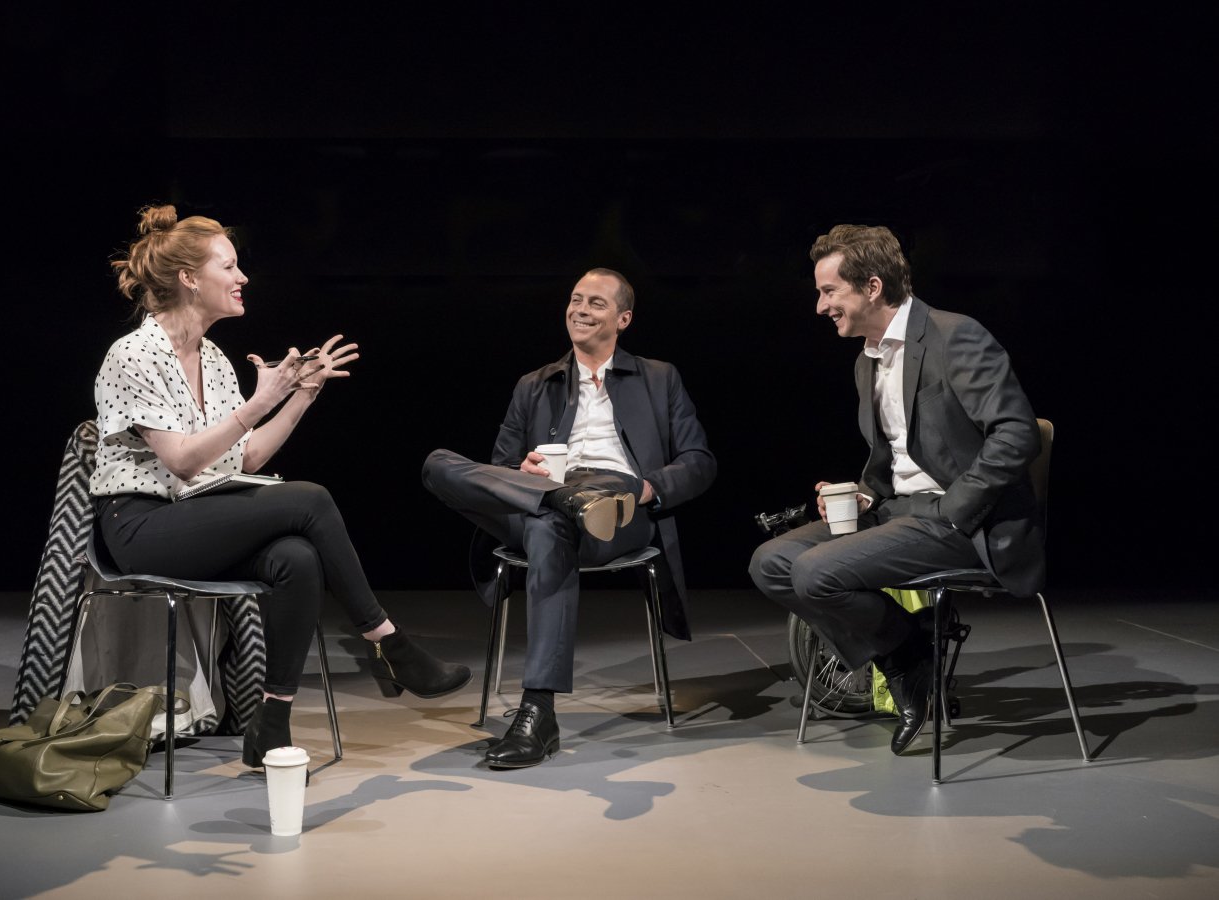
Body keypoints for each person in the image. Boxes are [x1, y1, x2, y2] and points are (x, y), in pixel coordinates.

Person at [91, 204, 470, 768]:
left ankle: (270, 723)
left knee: (296, 559)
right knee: (310, 498)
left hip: (196, 514)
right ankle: (390, 644)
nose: (243, 278)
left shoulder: (214, 358)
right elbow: (184, 461)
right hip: (140, 525)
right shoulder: (133, 354)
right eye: (230, 266)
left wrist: (299, 395)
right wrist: (259, 402)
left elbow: (244, 456)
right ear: (189, 279)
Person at [749, 224, 1044, 755]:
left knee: (815, 571)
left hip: (963, 520)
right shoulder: (869, 359)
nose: (820, 307)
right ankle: (909, 647)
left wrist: (956, 510)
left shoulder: (957, 336)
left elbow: (1017, 433)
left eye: (828, 291)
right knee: (771, 561)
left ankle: (907, 652)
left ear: (872, 287)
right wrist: (861, 492)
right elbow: (895, 458)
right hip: (899, 512)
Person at [422, 268, 716, 768]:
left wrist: (647, 488)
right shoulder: (534, 384)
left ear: (623, 319)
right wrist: (524, 470)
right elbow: (497, 468)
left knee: (549, 524)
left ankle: (537, 711)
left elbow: (699, 461)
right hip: (546, 497)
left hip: (619, 507)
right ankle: (561, 501)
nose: (579, 309)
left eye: (595, 303)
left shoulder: (659, 377)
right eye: (575, 299)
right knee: (439, 464)